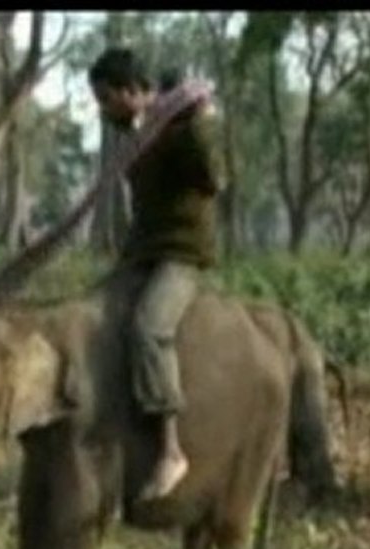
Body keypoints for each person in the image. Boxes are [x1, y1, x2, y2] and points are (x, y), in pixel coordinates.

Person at [88, 47, 225, 501]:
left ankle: (171, 450)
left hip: (181, 255)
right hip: (144, 253)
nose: (102, 110)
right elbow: (145, 211)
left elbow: (214, 178)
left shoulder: (182, 128)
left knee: (149, 328)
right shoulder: (140, 137)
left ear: (131, 91)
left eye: (106, 99)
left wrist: (200, 120)